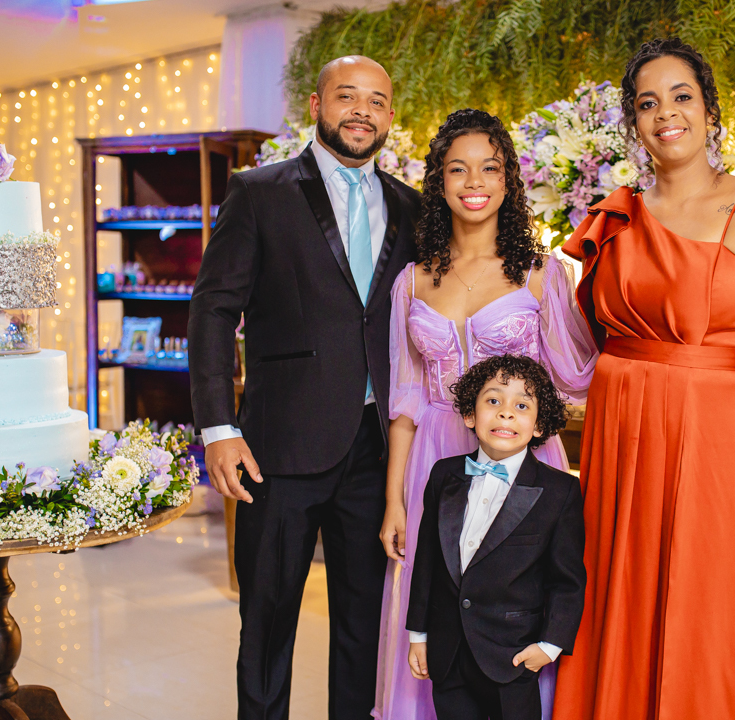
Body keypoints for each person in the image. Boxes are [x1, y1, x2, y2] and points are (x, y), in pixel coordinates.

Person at [551, 38, 735, 720]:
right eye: (648, 103)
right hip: (621, 443)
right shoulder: (615, 216)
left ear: (710, 110)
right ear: (633, 123)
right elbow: (581, 342)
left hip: (720, 446)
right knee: (621, 599)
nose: (666, 113)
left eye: (681, 97)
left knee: (709, 612)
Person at [188, 55, 421, 720]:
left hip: (376, 451)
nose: (361, 111)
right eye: (347, 96)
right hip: (278, 449)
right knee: (266, 628)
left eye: (376, 101)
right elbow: (212, 311)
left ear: (390, 116)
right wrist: (218, 428)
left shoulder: (411, 206)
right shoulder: (258, 192)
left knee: (363, 629)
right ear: (318, 105)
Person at [375, 109, 597, 720]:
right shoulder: (411, 282)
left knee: (519, 595)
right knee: (437, 599)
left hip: (522, 455)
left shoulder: (540, 274)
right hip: (434, 458)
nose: (474, 182)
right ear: (439, 182)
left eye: (490, 167)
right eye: (458, 169)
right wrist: (395, 499)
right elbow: (405, 402)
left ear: (508, 180)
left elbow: (578, 378)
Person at [406, 355, 586, 720]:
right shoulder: (443, 475)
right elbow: (426, 561)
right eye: (493, 400)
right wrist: (418, 635)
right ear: (470, 415)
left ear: (539, 425)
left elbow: (566, 579)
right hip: (448, 653)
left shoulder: (559, 491)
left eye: (522, 406)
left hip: (513, 656)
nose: (505, 413)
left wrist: (550, 645)